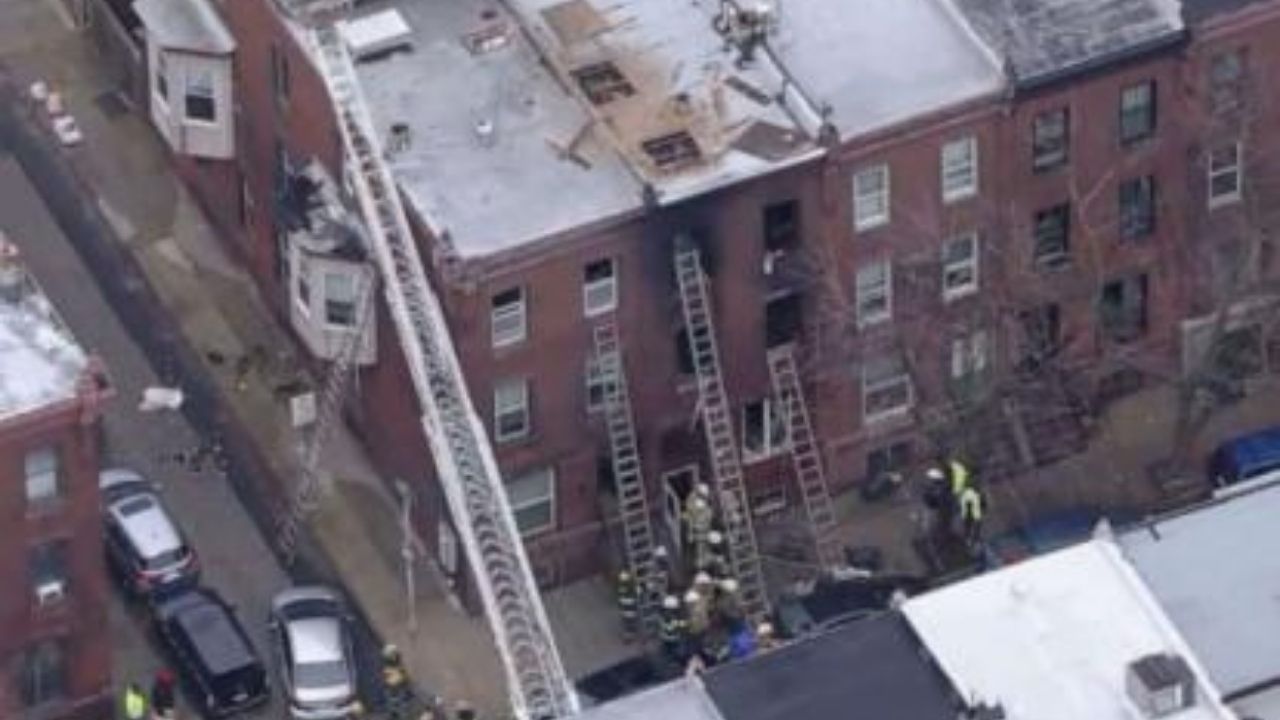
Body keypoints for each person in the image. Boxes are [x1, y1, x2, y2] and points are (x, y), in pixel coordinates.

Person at [616, 570, 640, 641]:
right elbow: (637, 594)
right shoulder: (631, 589)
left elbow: (620, 600)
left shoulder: (621, 589)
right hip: (631, 609)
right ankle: (630, 635)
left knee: (627, 624)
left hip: (625, 610)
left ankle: (629, 635)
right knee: (631, 624)